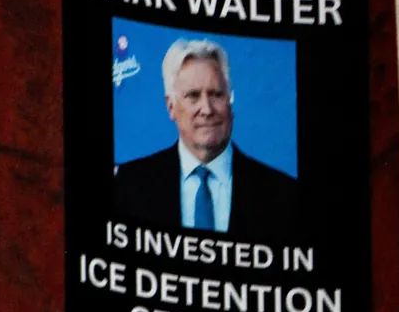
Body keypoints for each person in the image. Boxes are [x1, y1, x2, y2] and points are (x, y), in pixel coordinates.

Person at [112, 38, 298, 236]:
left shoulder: (283, 194)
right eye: (193, 95)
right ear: (171, 106)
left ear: (230, 101)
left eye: (216, 94)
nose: (207, 109)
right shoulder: (129, 185)